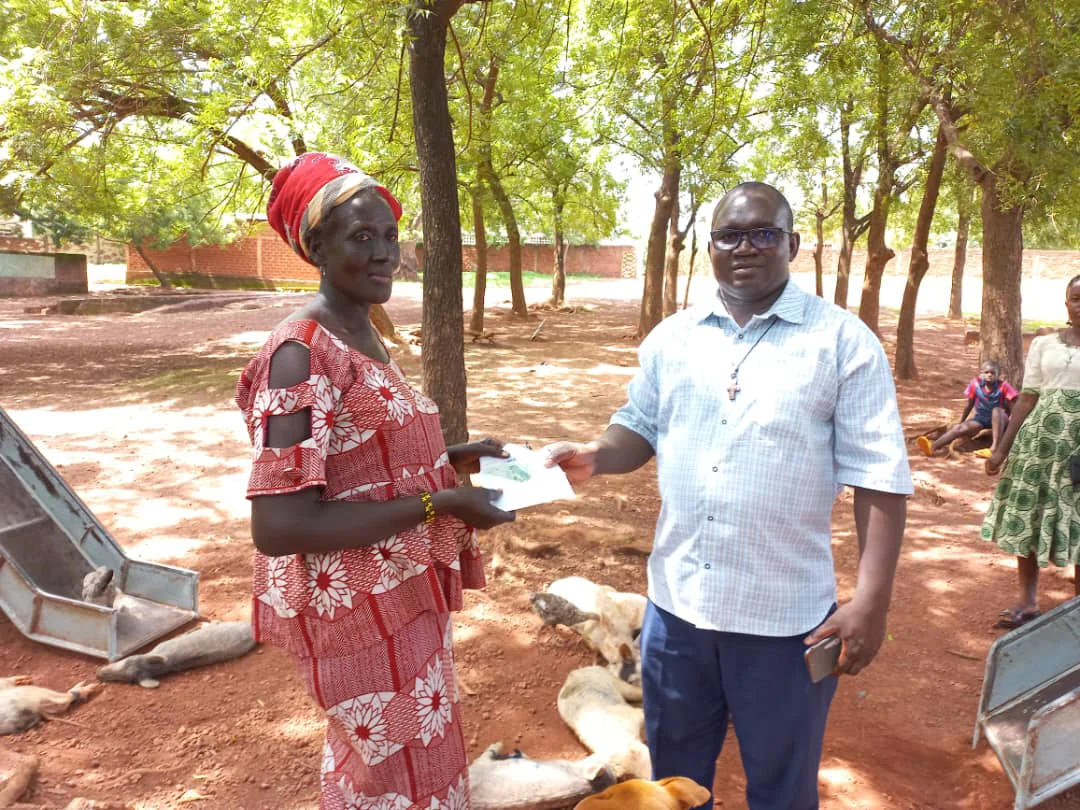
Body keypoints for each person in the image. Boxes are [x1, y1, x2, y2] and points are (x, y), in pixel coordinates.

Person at [545, 182, 912, 810]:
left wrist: (872, 602)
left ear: (793, 244)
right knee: (676, 786)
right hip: (678, 614)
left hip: (786, 624)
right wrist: (596, 457)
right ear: (709, 247)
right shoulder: (673, 339)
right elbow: (640, 425)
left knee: (781, 788)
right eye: (729, 235)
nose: (746, 246)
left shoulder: (842, 344)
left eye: (763, 233)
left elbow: (879, 475)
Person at [235, 152, 516, 809]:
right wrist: (440, 500)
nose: (387, 253)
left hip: (401, 591)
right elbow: (282, 524)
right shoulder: (300, 353)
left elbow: (359, 460)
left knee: (422, 753)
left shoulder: (364, 335)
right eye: (362, 237)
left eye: (390, 235)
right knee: (385, 778)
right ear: (317, 248)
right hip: (355, 613)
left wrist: (455, 453)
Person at [982, 276, 1080, 629]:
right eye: (1075, 298)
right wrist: (1001, 450)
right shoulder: (1044, 344)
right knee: (1031, 516)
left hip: (1078, 450)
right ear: (1066, 303)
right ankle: (1027, 602)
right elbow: (1026, 399)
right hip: (1039, 446)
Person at [916, 361, 1018, 459]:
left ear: (998, 375)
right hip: (981, 419)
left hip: (999, 419)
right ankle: (933, 447)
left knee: (996, 410)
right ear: (981, 373)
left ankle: (994, 448)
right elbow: (969, 405)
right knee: (959, 428)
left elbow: (1014, 403)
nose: (989, 375)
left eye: (993, 373)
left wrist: (1011, 424)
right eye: (986, 372)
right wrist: (961, 421)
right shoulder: (975, 384)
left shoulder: (1003, 386)